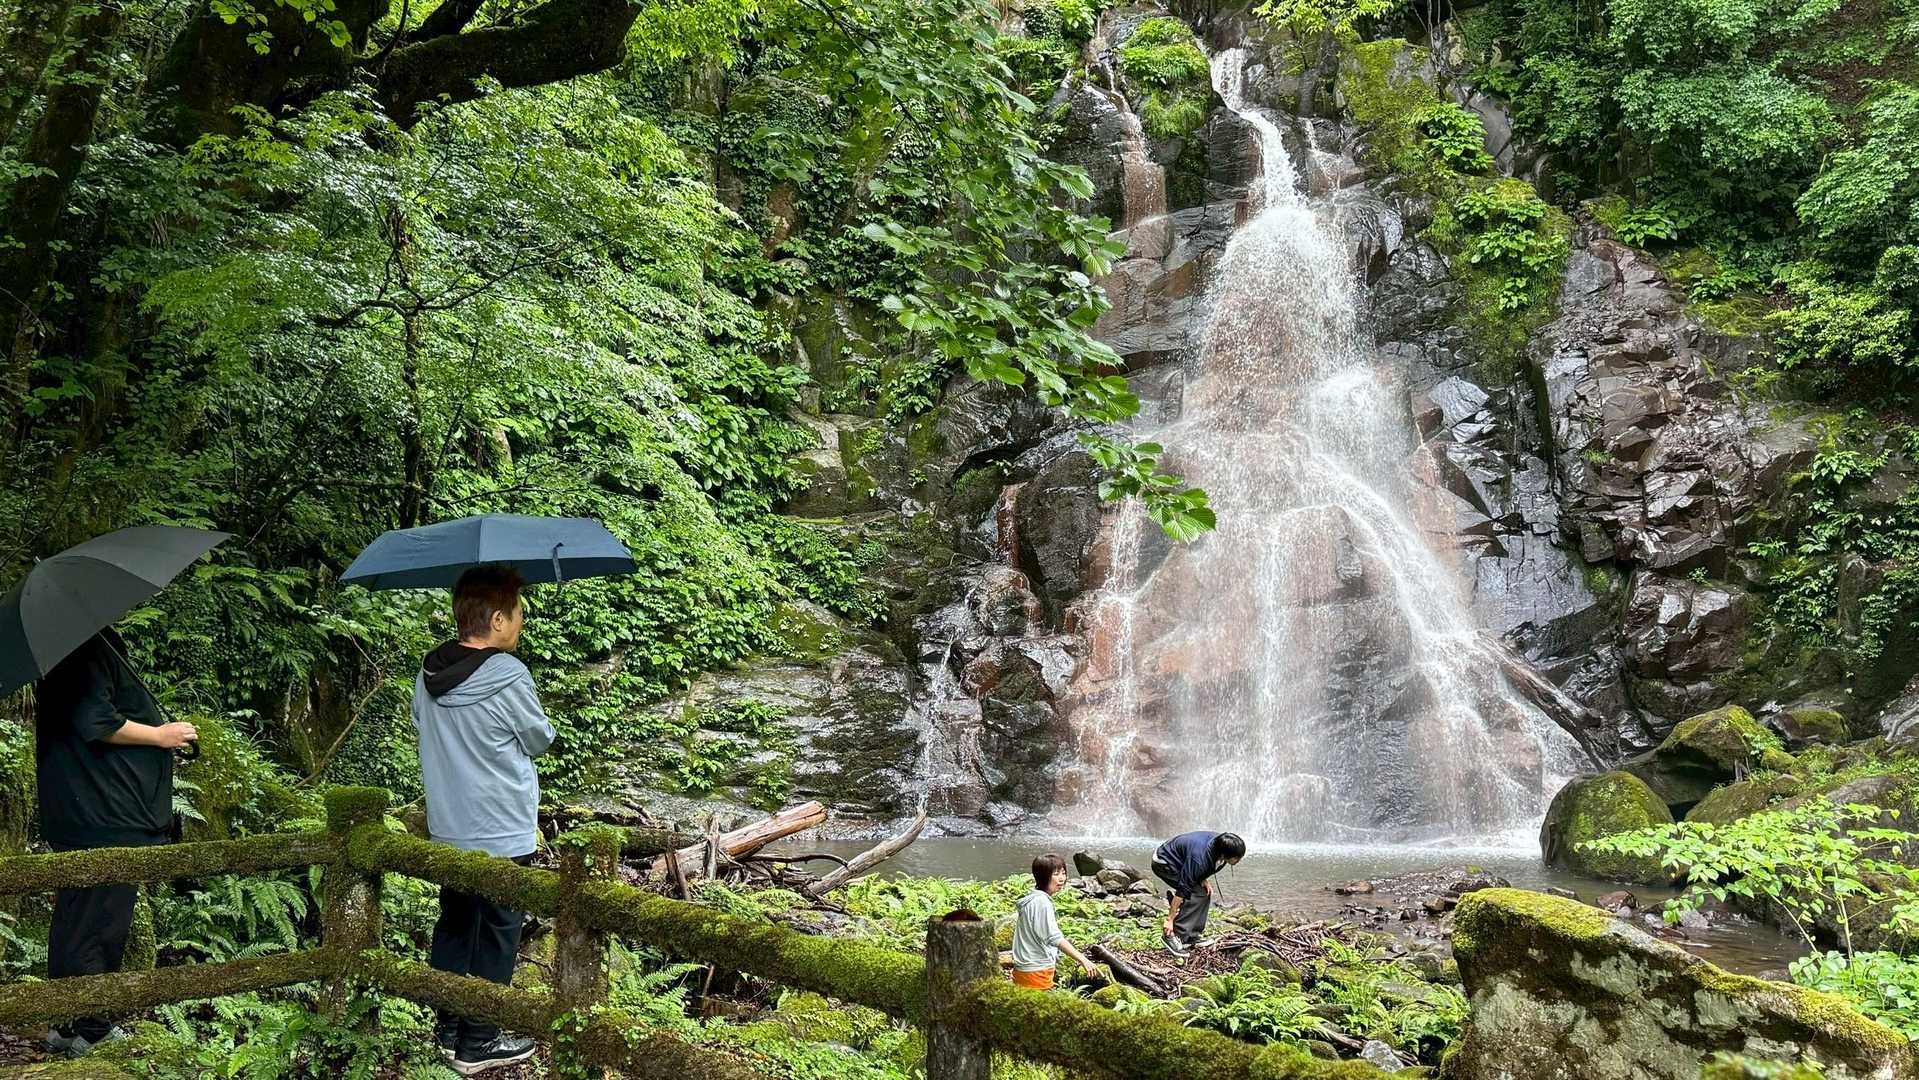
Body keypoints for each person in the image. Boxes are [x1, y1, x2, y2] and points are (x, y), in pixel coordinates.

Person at [414, 566, 555, 1077]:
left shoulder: (428, 672)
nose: (520, 624)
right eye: (517, 614)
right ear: (497, 618)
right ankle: (479, 1042)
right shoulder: (508, 673)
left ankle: (448, 1031)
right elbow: (539, 739)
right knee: (498, 929)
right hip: (501, 824)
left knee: (455, 922)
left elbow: (422, 725)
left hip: (449, 823)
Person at [34, 629, 197, 1057]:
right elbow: (98, 722)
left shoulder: (62, 646)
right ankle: (93, 1029)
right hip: (106, 812)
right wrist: (160, 736)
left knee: (75, 918)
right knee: (102, 923)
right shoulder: (84, 645)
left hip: (81, 811)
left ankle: (65, 1023)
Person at [1012, 853, 1099, 990]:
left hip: (1026, 969)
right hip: (1036, 971)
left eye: (1063, 873)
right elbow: (1054, 937)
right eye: (1056, 874)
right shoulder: (1041, 902)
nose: (1062, 878)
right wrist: (1083, 960)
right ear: (1043, 876)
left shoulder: (1033, 899)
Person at [1151, 831, 1245, 957]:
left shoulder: (1220, 845)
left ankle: (1192, 936)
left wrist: (1202, 878)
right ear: (1224, 855)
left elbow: (1199, 864)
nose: (1239, 860)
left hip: (1182, 860)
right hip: (1164, 861)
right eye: (1237, 858)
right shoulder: (1200, 859)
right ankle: (1173, 936)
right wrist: (1170, 919)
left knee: (1205, 892)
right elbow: (1183, 888)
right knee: (1196, 893)